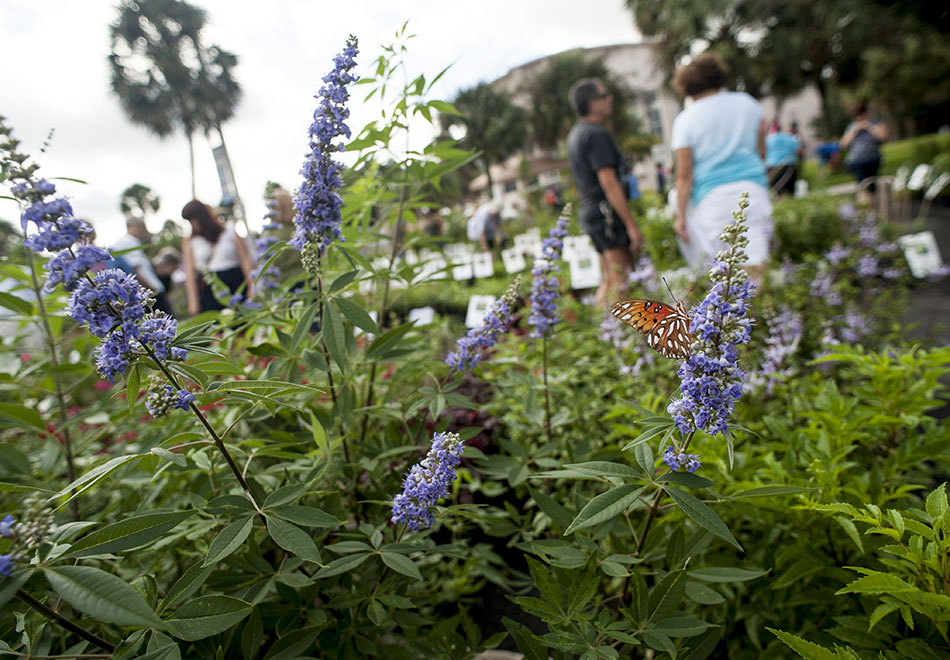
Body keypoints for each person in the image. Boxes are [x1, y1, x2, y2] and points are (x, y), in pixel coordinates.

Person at [670, 53, 773, 280]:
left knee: (724, 271)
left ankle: (729, 315)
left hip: (711, 197)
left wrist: (680, 218)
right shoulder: (748, 104)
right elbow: (762, 152)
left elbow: (684, 176)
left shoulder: (685, 120)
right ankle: (755, 313)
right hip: (752, 187)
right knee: (755, 261)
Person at [566, 77, 644, 306]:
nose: (610, 99)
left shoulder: (577, 134)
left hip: (593, 212)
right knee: (622, 280)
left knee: (610, 279)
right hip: (606, 213)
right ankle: (615, 336)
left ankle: (603, 331)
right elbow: (609, 182)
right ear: (592, 102)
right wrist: (631, 224)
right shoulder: (596, 134)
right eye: (605, 95)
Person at [180, 199, 255, 315]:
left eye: (194, 219)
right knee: (218, 329)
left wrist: (252, 286)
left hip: (236, 281)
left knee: (243, 324)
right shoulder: (191, 240)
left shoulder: (229, 230)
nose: (194, 224)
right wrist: (193, 302)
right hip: (211, 287)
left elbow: (245, 259)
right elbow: (190, 273)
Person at [112, 218, 173, 315]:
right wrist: (151, 290)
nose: (143, 233)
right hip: (149, 291)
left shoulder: (125, 243)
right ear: (134, 227)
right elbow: (137, 271)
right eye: (142, 229)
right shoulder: (129, 242)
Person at [840, 102, 887, 202]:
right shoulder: (851, 127)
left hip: (873, 158)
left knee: (872, 185)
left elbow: (882, 137)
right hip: (858, 160)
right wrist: (854, 130)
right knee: (862, 184)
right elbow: (843, 144)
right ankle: (865, 207)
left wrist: (870, 127)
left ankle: (872, 205)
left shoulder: (875, 123)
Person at [765, 123, 802, 197]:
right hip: (790, 166)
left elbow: (762, 152)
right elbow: (799, 151)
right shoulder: (790, 137)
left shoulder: (767, 139)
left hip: (774, 166)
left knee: (777, 191)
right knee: (791, 191)